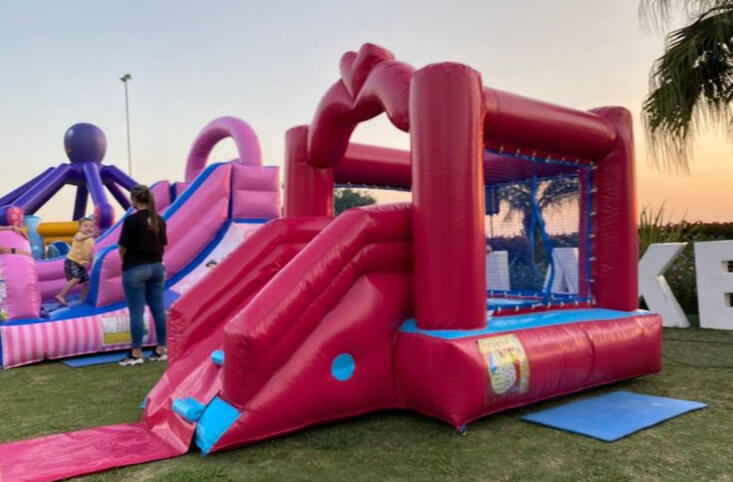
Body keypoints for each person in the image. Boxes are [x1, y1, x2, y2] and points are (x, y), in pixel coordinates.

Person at [118, 185, 168, 367]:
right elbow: (163, 245)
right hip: (157, 267)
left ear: (134, 200)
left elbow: (123, 248)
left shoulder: (131, 221)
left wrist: (124, 262)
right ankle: (161, 349)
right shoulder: (159, 220)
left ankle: (136, 353)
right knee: (159, 310)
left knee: (137, 312)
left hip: (135, 268)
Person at [55, 218, 96, 305]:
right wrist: (92, 234)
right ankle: (61, 295)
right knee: (76, 278)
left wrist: (93, 263)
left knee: (87, 282)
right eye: (85, 226)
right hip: (72, 261)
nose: (88, 228)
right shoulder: (79, 235)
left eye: (91, 226)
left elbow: (90, 253)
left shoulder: (91, 240)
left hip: (81, 264)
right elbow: (80, 238)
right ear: (79, 228)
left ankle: (83, 300)